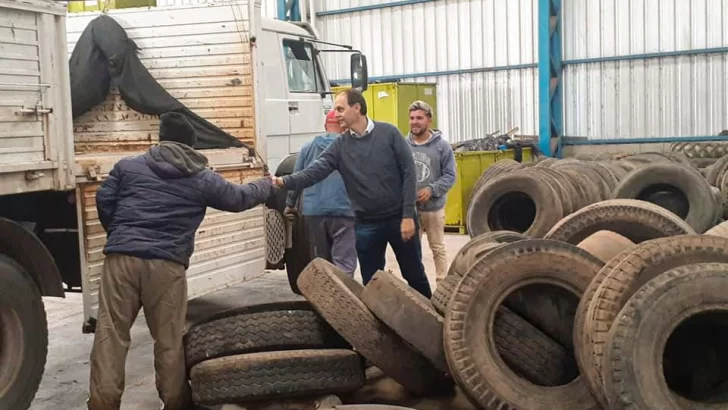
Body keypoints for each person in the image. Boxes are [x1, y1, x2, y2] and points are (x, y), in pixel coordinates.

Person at [88, 112, 276, 410]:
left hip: (120, 260)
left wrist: (121, 234)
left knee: (110, 335)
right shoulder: (200, 178)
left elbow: (104, 199)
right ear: (191, 145)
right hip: (166, 265)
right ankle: (174, 403)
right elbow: (238, 199)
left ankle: (102, 403)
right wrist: (269, 185)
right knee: (169, 340)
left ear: (160, 139)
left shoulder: (128, 167)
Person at [272, 89, 432, 298]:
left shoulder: (389, 134)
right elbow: (314, 171)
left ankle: (431, 323)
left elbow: (409, 173)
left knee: (414, 274)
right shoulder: (340, 145)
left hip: (399, 220)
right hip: (366, 224)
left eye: (340, 108)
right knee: (372, 283)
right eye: (335, 110)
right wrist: (284, 181)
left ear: (356, 108)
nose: (336, 114)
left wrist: (407, 215)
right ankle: (379, 329)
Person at [285, 110, 357, 276]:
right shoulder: (351, 147)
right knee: (344, 261)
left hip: (314, 212)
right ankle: (343, 299)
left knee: (322, 261)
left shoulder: (307, 148)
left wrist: (290, 205)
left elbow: (297, 178)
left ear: (325, 126)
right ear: (343, 127)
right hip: (344, 211)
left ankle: (325, 296)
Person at [407, 100, 456, 281]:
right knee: (412, 250)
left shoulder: (442, 146)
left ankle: (442, 284)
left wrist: (432, 189)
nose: (415, 122)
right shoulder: (404, 146)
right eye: (412, 118)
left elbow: (450, 176)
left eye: (419, 118)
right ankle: (417, 285)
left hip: (434, 208)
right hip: (410, 210)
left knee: (437, 248)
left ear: (429, 120)